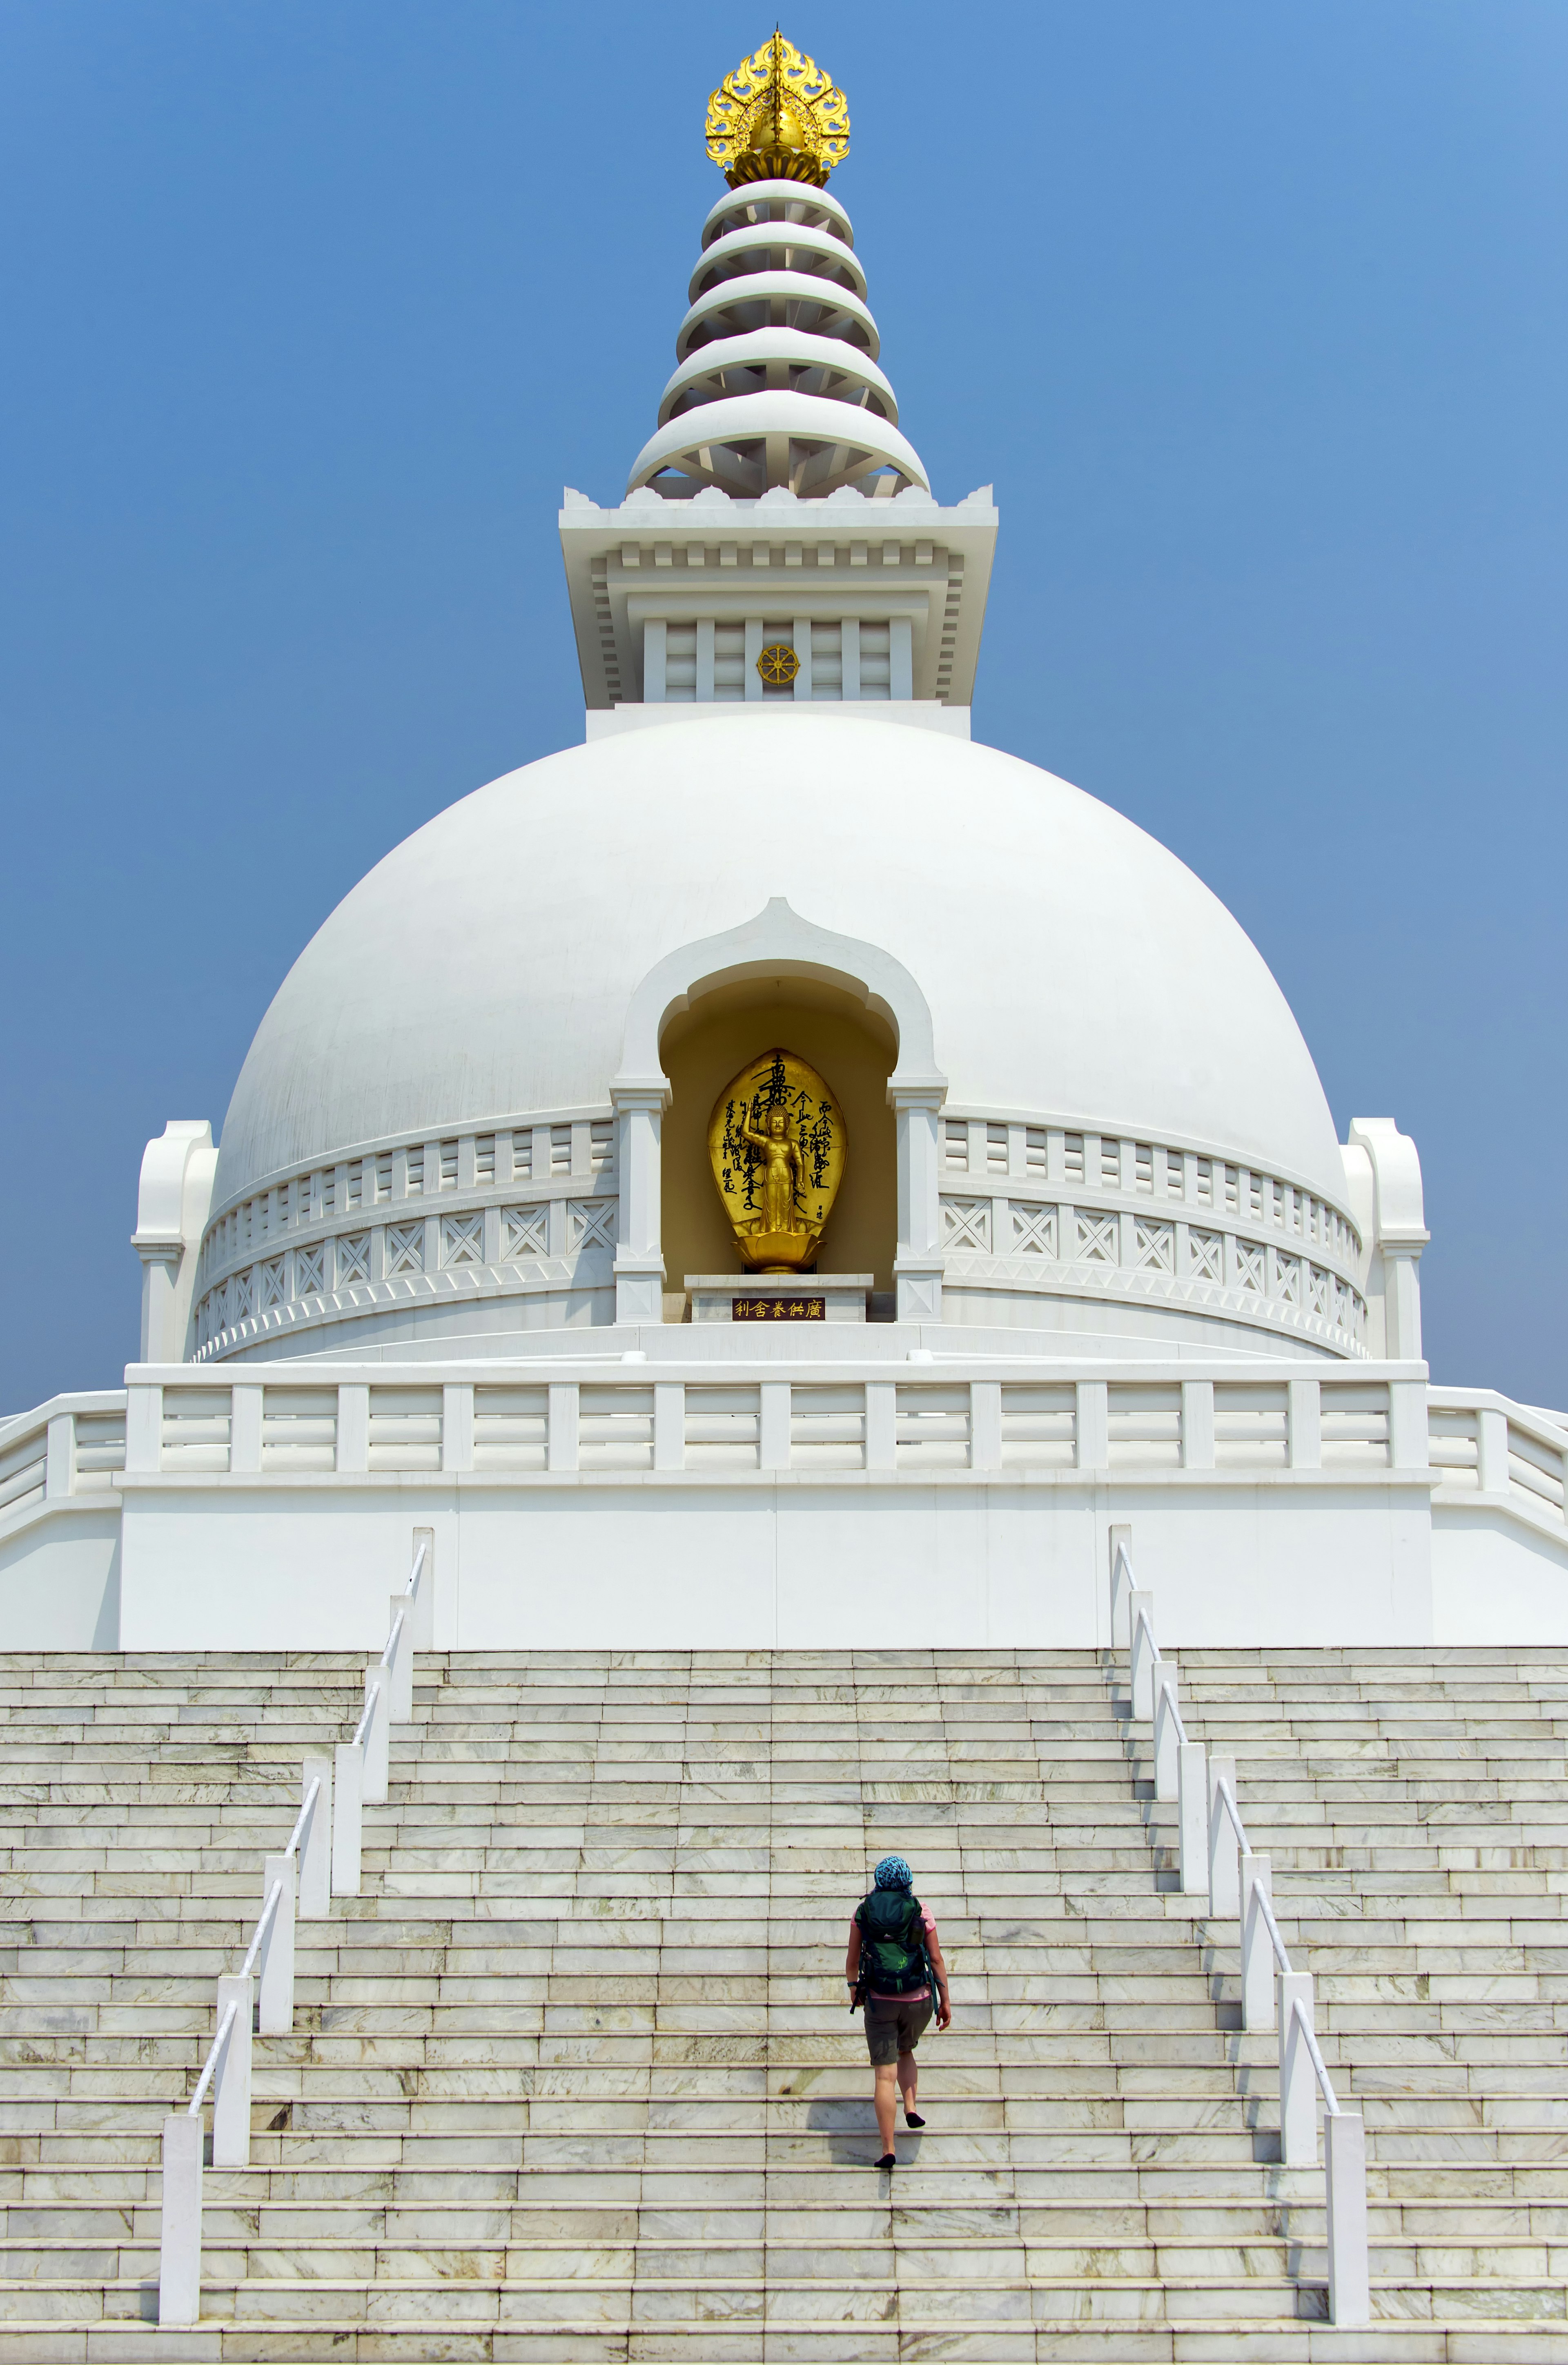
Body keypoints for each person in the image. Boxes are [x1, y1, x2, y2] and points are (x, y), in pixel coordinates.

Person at [846, 1853, 951, 2170]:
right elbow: (935, 1959)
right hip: (917, 1999)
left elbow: (852, 1961)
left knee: (884, 2075)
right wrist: (944, 2000)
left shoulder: (863, 1911)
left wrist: (854, 1989)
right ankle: (910, 2105)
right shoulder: (921, 1910)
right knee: (906, 2051)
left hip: (880, 1999)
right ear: (907, 1881)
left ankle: (889, 2149)